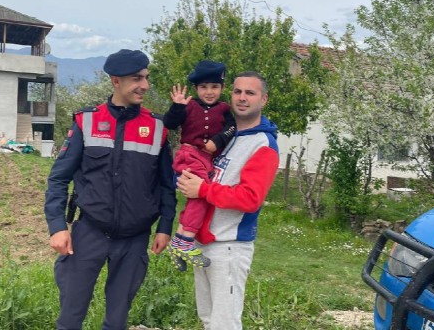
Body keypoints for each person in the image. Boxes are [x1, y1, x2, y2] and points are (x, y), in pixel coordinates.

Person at [43, 49, 177, 330]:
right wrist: (57, 226)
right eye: (137, 79)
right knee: (70, 317)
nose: (145, 85)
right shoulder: (86, 121)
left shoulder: (157, 127)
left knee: (117, 321)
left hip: (134, 239)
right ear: (116, 81)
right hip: (89, 234)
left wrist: (165, 226)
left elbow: (167, 184)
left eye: (146, 78)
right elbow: (58, 179)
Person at [176, 71, 279, 329]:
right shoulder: (228, 138)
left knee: (224, 323)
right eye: (237, 91)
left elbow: (250, 198)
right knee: (209, 319)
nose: (242, 98)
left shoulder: (262, 144)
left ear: (263, 99)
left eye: (250, 93)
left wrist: (202, 190)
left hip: (230, 247)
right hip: (206, 242)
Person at [163, 60, 236, 271]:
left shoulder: (224, 109)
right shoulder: (189, 106)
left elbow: (232, 127)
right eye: (204, 87)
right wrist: (177, 106)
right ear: (196, 89)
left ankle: (179, 241)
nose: (209, 92)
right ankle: (185, 242)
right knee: (201, 196)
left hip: (208, 159)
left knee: (198, 198)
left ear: (222, 88)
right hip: (189, 155)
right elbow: (170, 123)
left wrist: (219, 140)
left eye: (214, 87)